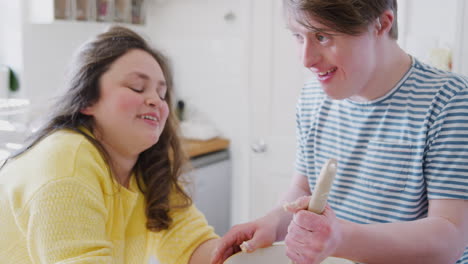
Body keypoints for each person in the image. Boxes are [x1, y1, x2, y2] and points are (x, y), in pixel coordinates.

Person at [212, 0, 468, 264]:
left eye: (322, 37)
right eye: (298, 36)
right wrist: (272, 222)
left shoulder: (450, 101)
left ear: (381, 24)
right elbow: (304, 189)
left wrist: (340, 239)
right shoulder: (312, 98)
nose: (306, 59)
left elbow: (449, 238)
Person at [0, 26, 219, 264]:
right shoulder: (66, 161)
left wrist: (242, 248)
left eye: (162, 93)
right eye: (137, 87)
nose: (156, 100)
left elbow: (193, 246)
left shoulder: (147, 168)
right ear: (87, 100)